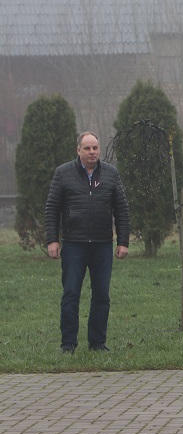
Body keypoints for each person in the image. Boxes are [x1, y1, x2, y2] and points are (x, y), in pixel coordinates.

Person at [45, 131, 130, 353]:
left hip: (102, 244)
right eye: (87, 148)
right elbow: (52, 209)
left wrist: (123, 241)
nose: (92, 152)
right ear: (78, 150)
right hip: (74, 244)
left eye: (95, 148)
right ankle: (68, 344)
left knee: (101, 295)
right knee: (71, 293)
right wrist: (52, 240)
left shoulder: (111, 174)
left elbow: (122, 210)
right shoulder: (63, 173)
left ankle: (97, 343)